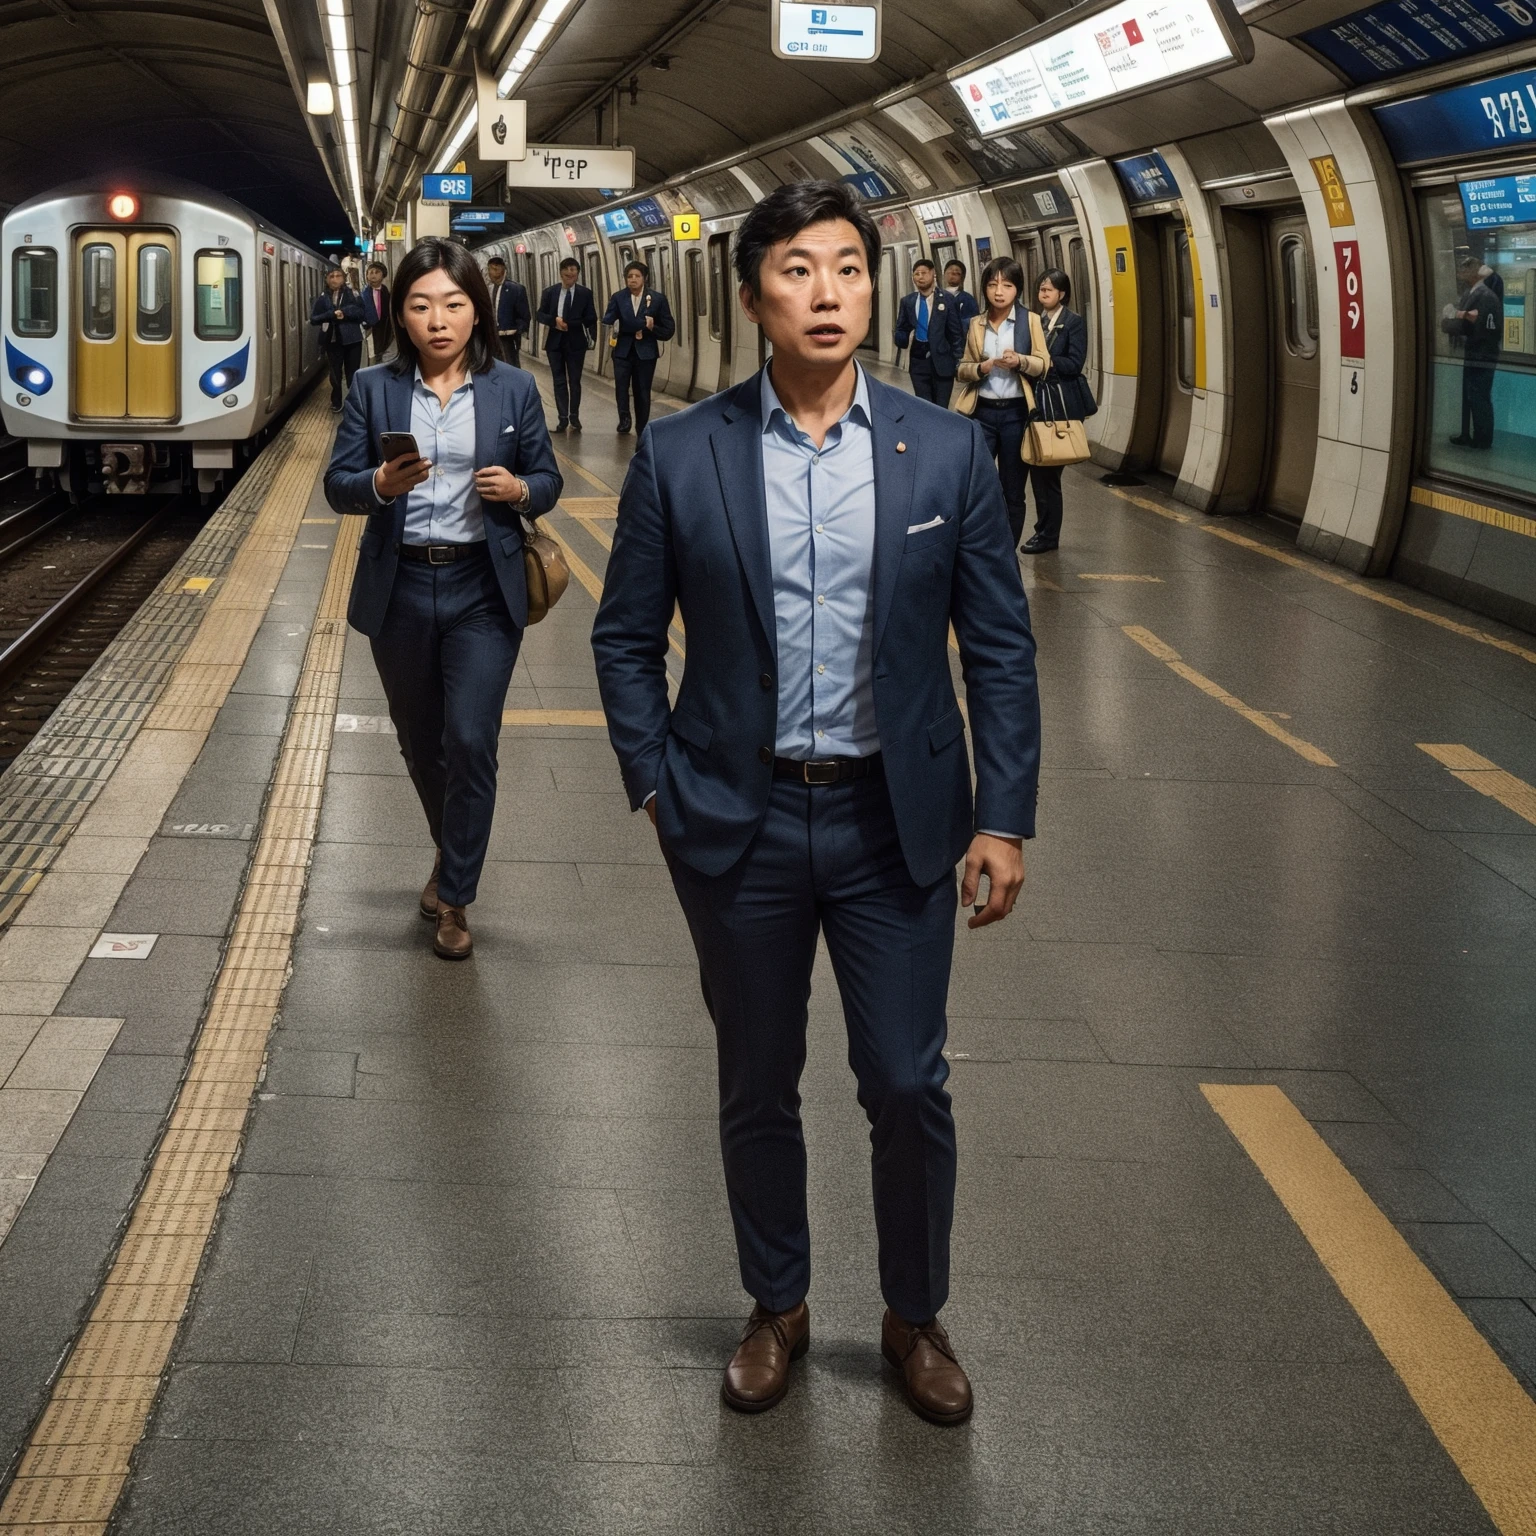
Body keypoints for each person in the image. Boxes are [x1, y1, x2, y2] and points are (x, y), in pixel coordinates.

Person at [591, 180, 1041, 1428]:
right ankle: (777, 1304)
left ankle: (913, 1315)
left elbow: (997, 647)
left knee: (906, 1079)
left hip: (895, 820)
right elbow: (625, 639)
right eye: (798, 270)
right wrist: (655, 783)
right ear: (752, 300)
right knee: (757, 1075)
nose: (829, 292)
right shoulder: (684, 455)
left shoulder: (942, 451)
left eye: (848, 267)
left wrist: (1003, 817)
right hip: (736, 822)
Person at [323, 238, 562, 959]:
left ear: (477, 311)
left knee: (469, 740)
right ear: (400, 313)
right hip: (399, 588)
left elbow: (548, 480)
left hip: (481, 589)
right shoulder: (373, 387)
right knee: (421, 740)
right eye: (421, 305)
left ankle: (457, 896)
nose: (438, 320)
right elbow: (338, 484)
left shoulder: (513, 389)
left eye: (453, 304)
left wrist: (521, 491)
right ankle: (447, 848)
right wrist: (379, 486)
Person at [954, 256, 1048, 551]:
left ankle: (1006, 552)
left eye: (1007, 285)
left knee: (1013, 490)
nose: (999, 291)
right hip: (980, 414)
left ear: (1017, 289)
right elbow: (962, 368)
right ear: (984, 288)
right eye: (993, 284)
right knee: (975, 486)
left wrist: (1020, 361)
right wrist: (981, 368)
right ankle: (976, 546)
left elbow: (1044, 364)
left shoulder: (1030, 321)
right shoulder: (975, 324)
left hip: (1016, 416)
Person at [1022, 266, 1095, 554]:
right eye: (1041, 289)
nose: (1043, 293)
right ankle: (1043, 530)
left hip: (1060, 406)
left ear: (1061, 294)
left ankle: (1049, 535)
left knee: (1049, 475)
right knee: (1038, 472)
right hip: (1038, 406)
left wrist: (1044, 363)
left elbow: (1075, 363)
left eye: (1049, 290)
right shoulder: (1034, 321)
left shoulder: (1073, 323)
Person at [601, 259, 677, 434]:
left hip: (646, 353)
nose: (632, 279)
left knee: (642, 390)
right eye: (629, 276)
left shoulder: (657, 299)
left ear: (645, 278)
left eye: (636, 276)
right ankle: (624, 419)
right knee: (621, 387)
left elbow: (668, 330)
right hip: (622, 351)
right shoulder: (618, 297)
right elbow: (608, 319)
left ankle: (642, 425)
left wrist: (651, 328)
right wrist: (628, 324)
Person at [1443, 257, 1502, 450]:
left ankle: (1483, 439)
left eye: (1465, 269)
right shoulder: (1473, 293)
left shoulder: (1485, 296)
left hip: (1482, 355)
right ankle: (1467, 433)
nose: (1461, 273)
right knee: (1471, 395)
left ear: (1474, 272)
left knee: (1479, 396)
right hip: (1474, 353)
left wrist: (1447, 322)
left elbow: (1471, 326)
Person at [893, 258, 965, 408]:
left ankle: (940, 432)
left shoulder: (947, 299)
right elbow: (901, 327)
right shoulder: (908, 301)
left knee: (941, 407)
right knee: (924, 406)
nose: (920, 277)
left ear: (933, 274)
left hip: (942, 362)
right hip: (918, 362)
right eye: (916, 274)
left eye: (924, 273)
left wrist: (958, 360)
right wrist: (900, 337)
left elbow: (956, 333)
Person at [537, 257, 597, 432]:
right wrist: (554, 321)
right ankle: (562, 418)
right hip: (554, 343)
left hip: (576, 342)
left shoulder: (585, 294)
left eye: (574, 270)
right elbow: (540, 314)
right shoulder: (550, 292)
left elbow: (591, 317)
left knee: (575, 381)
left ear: (577, 273)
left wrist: (571, 323)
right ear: (561, 272)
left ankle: (574, 417)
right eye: (567, 270)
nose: (570, 274)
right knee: (559, 381)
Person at [310, 267, 367, 411]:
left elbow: (361, 313)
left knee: (352, 372)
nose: (335, 279)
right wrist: (331, 314)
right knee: (335, 373)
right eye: (331, 276)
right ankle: (336, 401)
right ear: (327, 279)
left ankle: (354, 401)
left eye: (338, 276)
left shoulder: (353, 294)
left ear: (343, 278)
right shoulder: (323, 298)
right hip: (332, 339)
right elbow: (314, 319)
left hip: (352, 339)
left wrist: (345, 313)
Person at [485, 256, 531, 368]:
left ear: (502, 269)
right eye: (490, 269)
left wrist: (515, 332)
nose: (491, 272)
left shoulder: (516, 289)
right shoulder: (488, 288)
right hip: (491, 337)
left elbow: (525, 316)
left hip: (508, 338)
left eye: (494, 269)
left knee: (510, 365)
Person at [361, 262, 392, 363]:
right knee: (371, 355)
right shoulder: (364, 294)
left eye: (377, 272)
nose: (373, 275)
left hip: (384, 328)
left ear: (383, 275)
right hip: (369, 328)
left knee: (382, 353)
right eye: (370, 272)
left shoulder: (385, 292)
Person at [943, 260, 980, 326]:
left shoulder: (968, 299)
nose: (953, 273)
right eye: (950, 270)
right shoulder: (936, 297)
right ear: (944, 274)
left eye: (957, 273)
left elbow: (975, 322)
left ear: (962, 278)